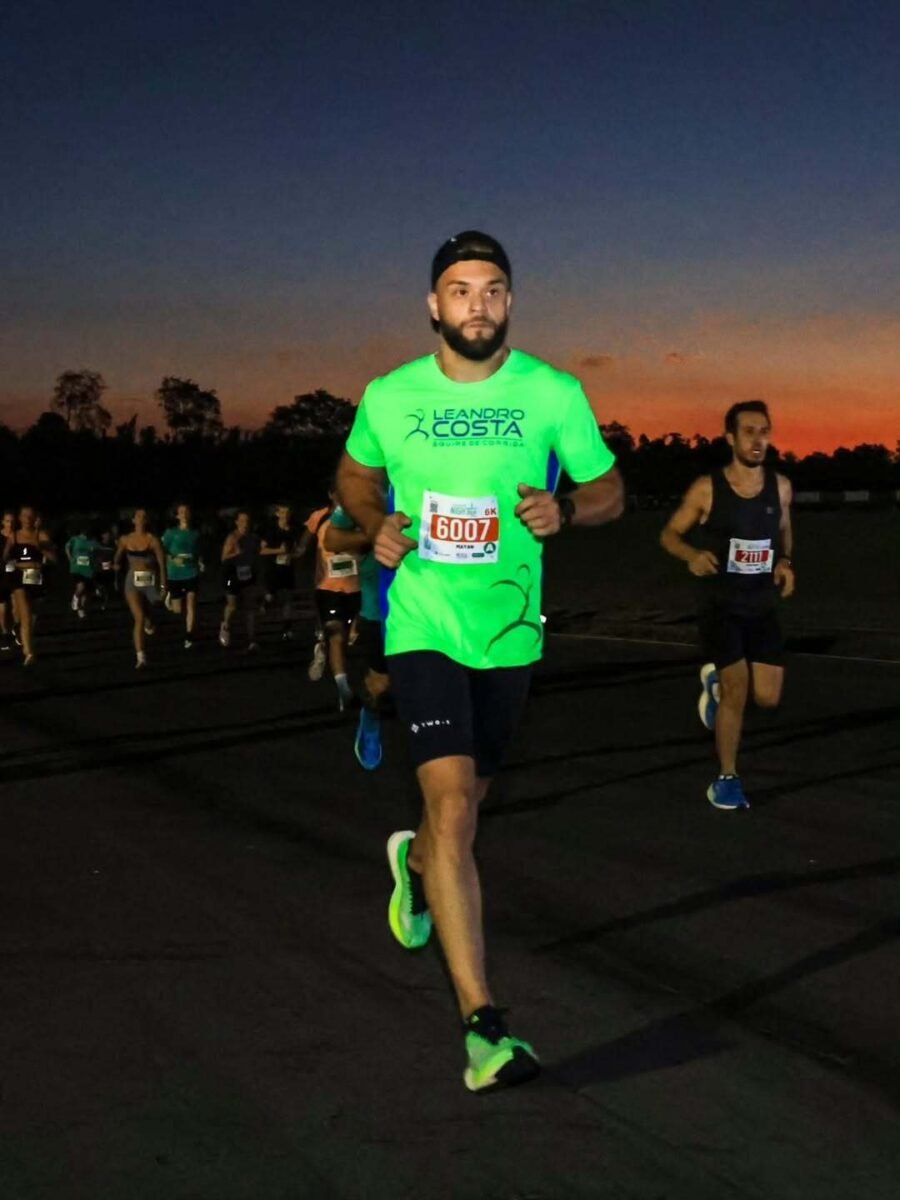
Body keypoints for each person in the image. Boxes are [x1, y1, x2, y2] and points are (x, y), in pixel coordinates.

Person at [337, 230, 624, 1091]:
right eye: (461, 290)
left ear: (510, 301)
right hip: (423, 622)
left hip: (509, 635)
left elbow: (610, 490)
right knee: (455, 804)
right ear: (434, 304)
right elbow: (354, 478)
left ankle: (415, 865)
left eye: (492, 289)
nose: (478, 304)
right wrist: (374, 523)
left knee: (460, 815)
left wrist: (566, 510)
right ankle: (483, 1027)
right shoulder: (391, 395)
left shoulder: (553, 392)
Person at [660, 400, 794, 810]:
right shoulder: (707, 488)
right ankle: (726, 780)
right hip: (721, 606)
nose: (758, 440)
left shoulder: (781, 487)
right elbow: (669, 534)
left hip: (762, 605)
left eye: (764, 431)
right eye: (749, 431)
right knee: (738, 691)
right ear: (730, 438)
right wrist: (691, 555)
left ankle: (714, 687)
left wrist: (785, 562)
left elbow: (784, 528)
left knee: (767, 698)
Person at [324, 505, 388, 766]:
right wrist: (376, 535)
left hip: (429, 604)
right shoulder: (367, 491)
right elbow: (332, 539)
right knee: (381, 683)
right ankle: (371, 716)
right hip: (378, 608)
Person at [305, 492, 362, 711]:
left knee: (346, 639)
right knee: (336, 636)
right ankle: (343, 690)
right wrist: (299, 550)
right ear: (331, 494)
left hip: (355, 588)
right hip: (328, 587)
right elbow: (306, 539)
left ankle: (322, 646)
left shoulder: (360, 515)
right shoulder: (320, 516)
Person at [3, 505, 57, 666]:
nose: (27, 519)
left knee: (33, 614)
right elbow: (5, 557)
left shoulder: (41, 535)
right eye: (24, 516)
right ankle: (28, 652)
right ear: (20, 518)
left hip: (34, 574)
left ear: (35, 518)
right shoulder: (14, 536)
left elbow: (55, 559)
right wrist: (11, 565)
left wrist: (41, 548)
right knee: (25, 613)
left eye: (30, 516)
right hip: (19, 575)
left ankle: (20, 632)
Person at [114, 508, 167, 669]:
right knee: (139, 617)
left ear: (147, 520)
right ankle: (141, 656)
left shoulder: (153, 540)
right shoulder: (125, 539)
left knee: (151, 611)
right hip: (132, 581)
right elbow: (117, 558)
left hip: (150, 581)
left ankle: (149, 622)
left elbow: (162, 564)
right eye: (138, 516)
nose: (141, 518)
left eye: (144, 516)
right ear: (133, 520)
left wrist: (164, 585)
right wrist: (115, 565)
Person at [260, 503, 305, 644]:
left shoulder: (294, 530)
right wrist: (278, 551)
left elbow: (297, 549)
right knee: (271, 597)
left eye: (288, 512)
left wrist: (297, 554)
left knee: (288, 600)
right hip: (272, 569)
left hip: (287, 568)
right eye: (283, 512)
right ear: (277, 514)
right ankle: (265, 602)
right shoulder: (271, 530)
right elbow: (261, 550)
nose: (286, 515)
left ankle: (287, 630)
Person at [162, 503, 203, 648]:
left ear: (190, 514)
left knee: (191, 604)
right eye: (181, 512)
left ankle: (189, 635)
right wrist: (173, 559)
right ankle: (170, 598)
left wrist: (201, 562)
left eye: (186, 511)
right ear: (177, 516)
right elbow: (162, 551)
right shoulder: (170, 533)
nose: (184, 514)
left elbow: (198, 552)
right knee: (178, 610)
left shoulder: (195, 533)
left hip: (191, 572)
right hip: (175, 574)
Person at [220, 510, 262, 652]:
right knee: (232, 606)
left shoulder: (253, 538)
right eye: (242, 521)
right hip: (232, 575)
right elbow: (223, 558)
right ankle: (226, 626)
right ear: (237, 522)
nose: (245, 524)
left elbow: (257, 554)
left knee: (250, 607)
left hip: (248, 574)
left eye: (247, 521)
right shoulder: (232, 538)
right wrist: (236, 553)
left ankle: (252, 639)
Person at [65, 521, 100, 619]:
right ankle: (75, 598)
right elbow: (67, 547)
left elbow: (98, 552)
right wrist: (70, 558)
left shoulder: (93, 541)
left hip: (89, 569)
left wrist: (96, 562)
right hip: (77, 568)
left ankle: (81, 609)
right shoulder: (75, 539)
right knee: (81, 587)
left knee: (86, 593)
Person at [0, 509, 17, 652]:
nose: (10, 524)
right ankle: (5, 634)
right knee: (3, 608)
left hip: (17, 575)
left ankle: (15, 629)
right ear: (2, 522)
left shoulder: (19, 536)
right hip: (1, 576)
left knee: (17, 607)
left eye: (12, 521)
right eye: (7, 521)